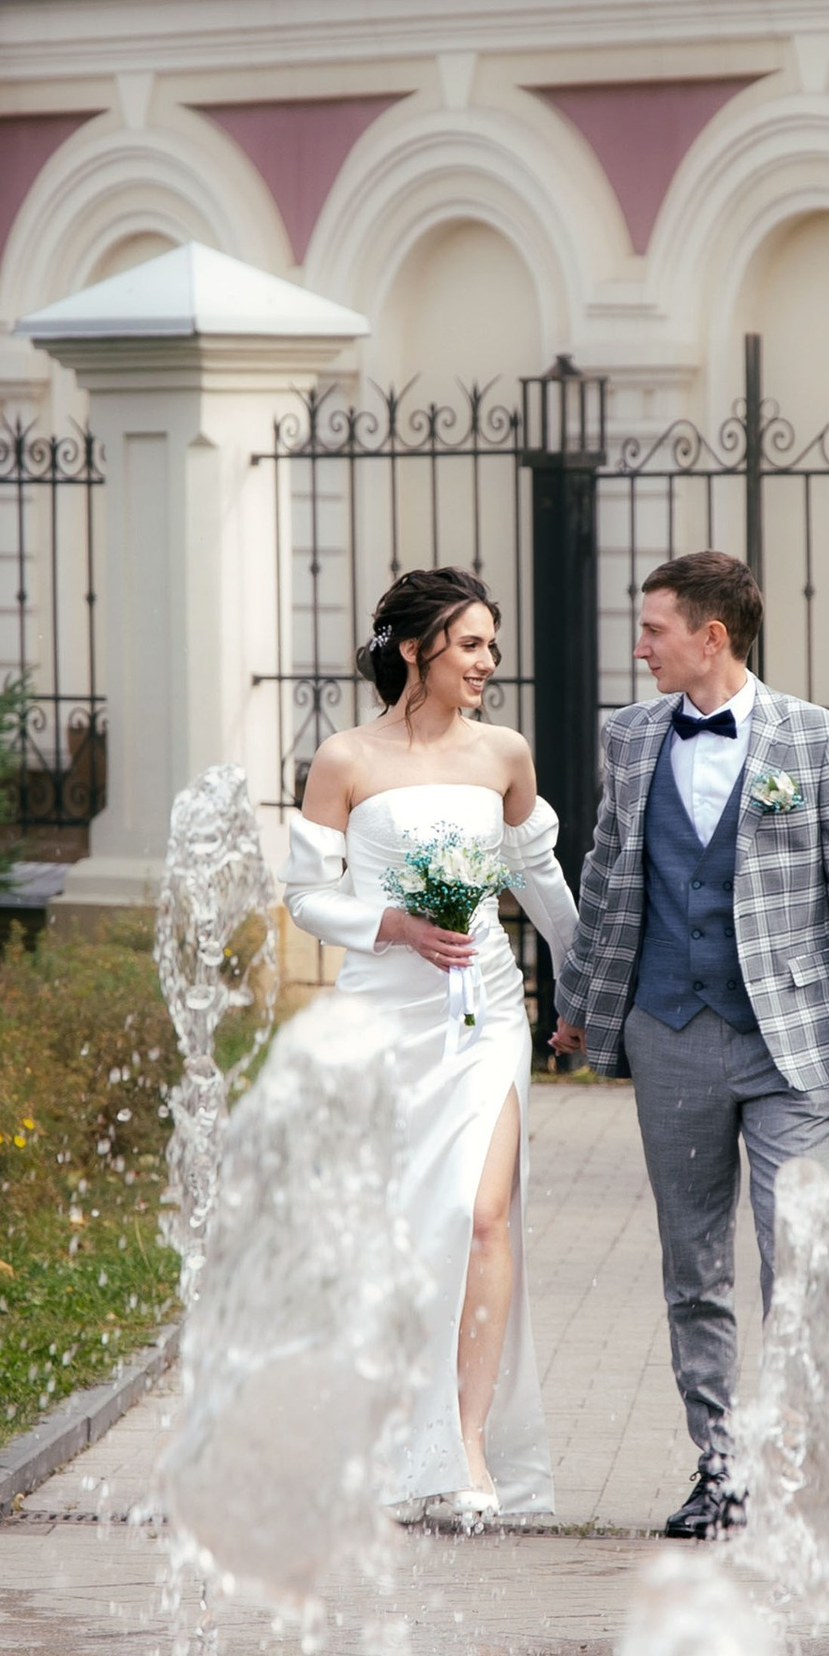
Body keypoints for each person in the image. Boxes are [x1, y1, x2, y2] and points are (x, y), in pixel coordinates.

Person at [552, 548, 829, 1538]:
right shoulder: (627, 737)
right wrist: (580, 1002)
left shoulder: (815, 739)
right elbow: (608, 875)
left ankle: (799, 1465)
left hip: (788, 1041)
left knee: (798, 1261)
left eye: (654, 627)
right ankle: (723, 1470)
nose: (639, 644)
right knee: (691, 1265)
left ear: (712, 635)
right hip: (667, 1032)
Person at [282, 568, 578, 1521]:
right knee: (399, 1228)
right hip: (384, 1017)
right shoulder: (344, 761)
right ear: (416, 650)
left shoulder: (504, 754)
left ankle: (469, 1448)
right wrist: (396, 925)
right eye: (471, 645)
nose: (488, 663)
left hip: (485, 1012)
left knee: (481, 1213)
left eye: (493, 646)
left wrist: (589, 981)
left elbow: (537, 879)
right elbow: (307, 897)